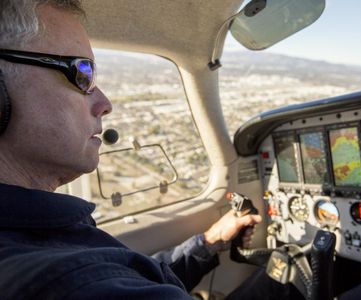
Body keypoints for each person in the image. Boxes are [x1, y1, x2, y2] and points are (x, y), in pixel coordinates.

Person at [0, 1, 262, 299]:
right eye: (81, 73)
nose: (105, 103)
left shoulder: (49, 241)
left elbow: (130, 274)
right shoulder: (71, 283)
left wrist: (209, 242)